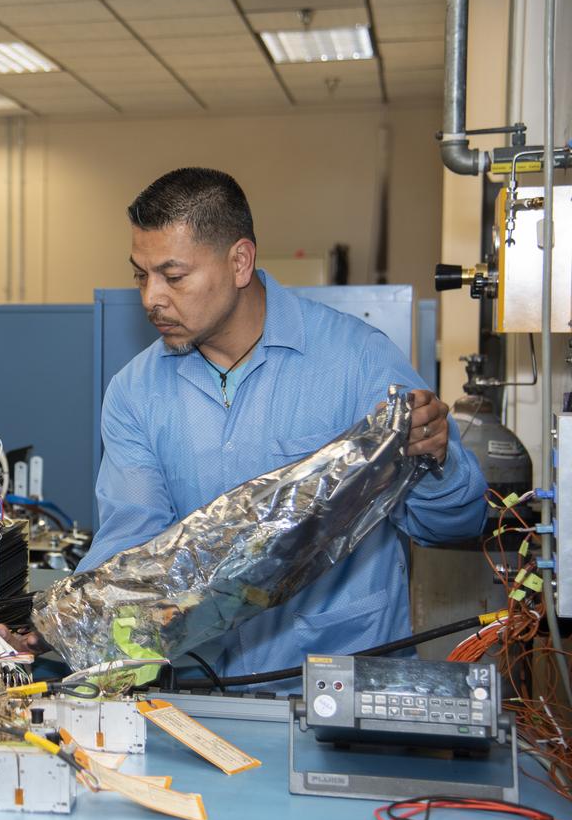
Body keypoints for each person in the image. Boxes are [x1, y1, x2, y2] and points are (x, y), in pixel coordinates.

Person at [75, 167, 487, 683]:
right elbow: (131, 544)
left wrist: (438, 459)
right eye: (141, 274)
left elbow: (453, 525)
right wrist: (66, 620)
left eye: (173, 276)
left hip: (344, 681)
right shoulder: (136, 392)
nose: (150, 297)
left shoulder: (356, 361)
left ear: (240, 261)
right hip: (205, 690)